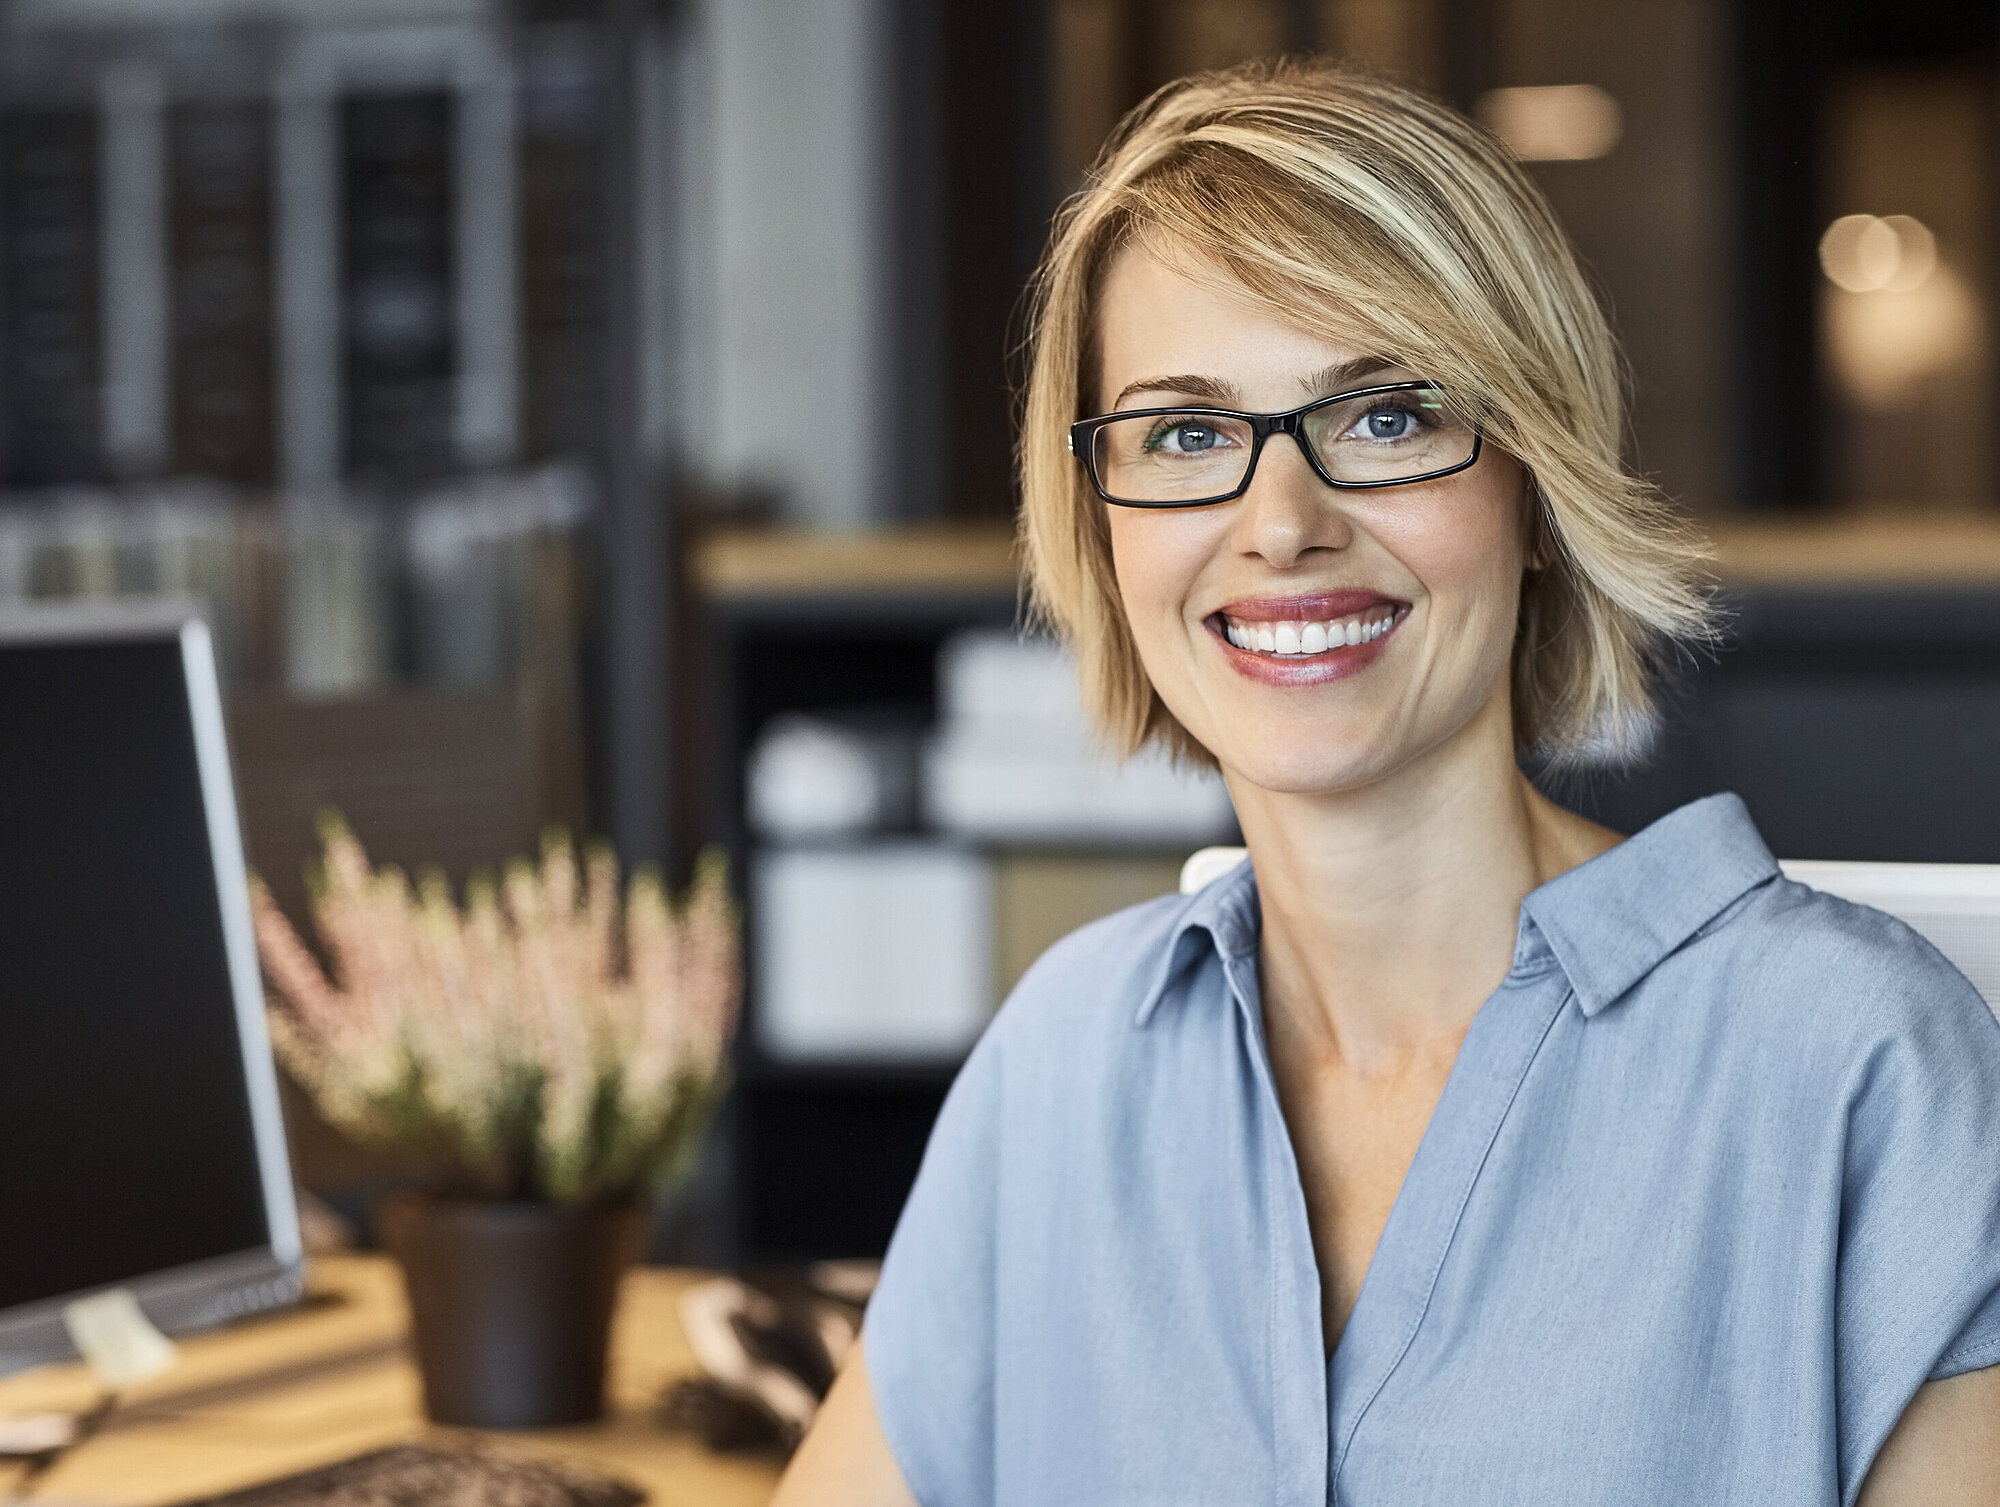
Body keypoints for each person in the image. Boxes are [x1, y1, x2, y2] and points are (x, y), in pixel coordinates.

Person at [772, 61, 2000, 1506]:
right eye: (1183, 434)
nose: (1279, 524)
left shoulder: (1861, 1065)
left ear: (1534, 485)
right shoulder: (1065, 1063)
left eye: (1386, 417)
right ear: (1101, 524)